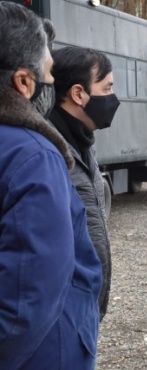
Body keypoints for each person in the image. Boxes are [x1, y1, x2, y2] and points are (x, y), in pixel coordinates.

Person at [0, 3, 102, 369]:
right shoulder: (34, 156)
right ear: (24, 83)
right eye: (48, 74)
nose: (51, 85)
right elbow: (30, 296)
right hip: (43, 352)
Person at [50, 46, 120, 321]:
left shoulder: (83, 143)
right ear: (78, 94)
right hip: (60, 311)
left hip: (84, 305)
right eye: (107, 88)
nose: (113, 99)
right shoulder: (48, 152)